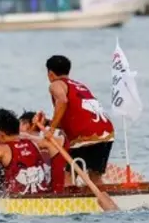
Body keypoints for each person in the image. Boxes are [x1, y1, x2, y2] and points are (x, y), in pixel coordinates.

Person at [44, 55, 115, 185]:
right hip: (106, 133)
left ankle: (70, 203)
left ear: (50, 73)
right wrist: (47, 123)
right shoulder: (79, 85)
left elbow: (62, 100)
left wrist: (52, 129)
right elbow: (73, 118)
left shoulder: (55, 84)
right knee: (95, 175)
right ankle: (104, 199)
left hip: (85, 136)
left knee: (68, 175)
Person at [0, 109, 52, 195]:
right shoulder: (34, 142)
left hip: (16, 201)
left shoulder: (1, 149)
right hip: (43, 199)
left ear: (1, 133)